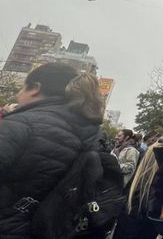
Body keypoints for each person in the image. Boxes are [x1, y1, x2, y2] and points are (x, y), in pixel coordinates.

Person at [0, 63, 105, 238]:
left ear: (35, 88)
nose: (18, 95)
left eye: (21, 88)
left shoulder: (21, 125)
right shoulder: (91, 135)